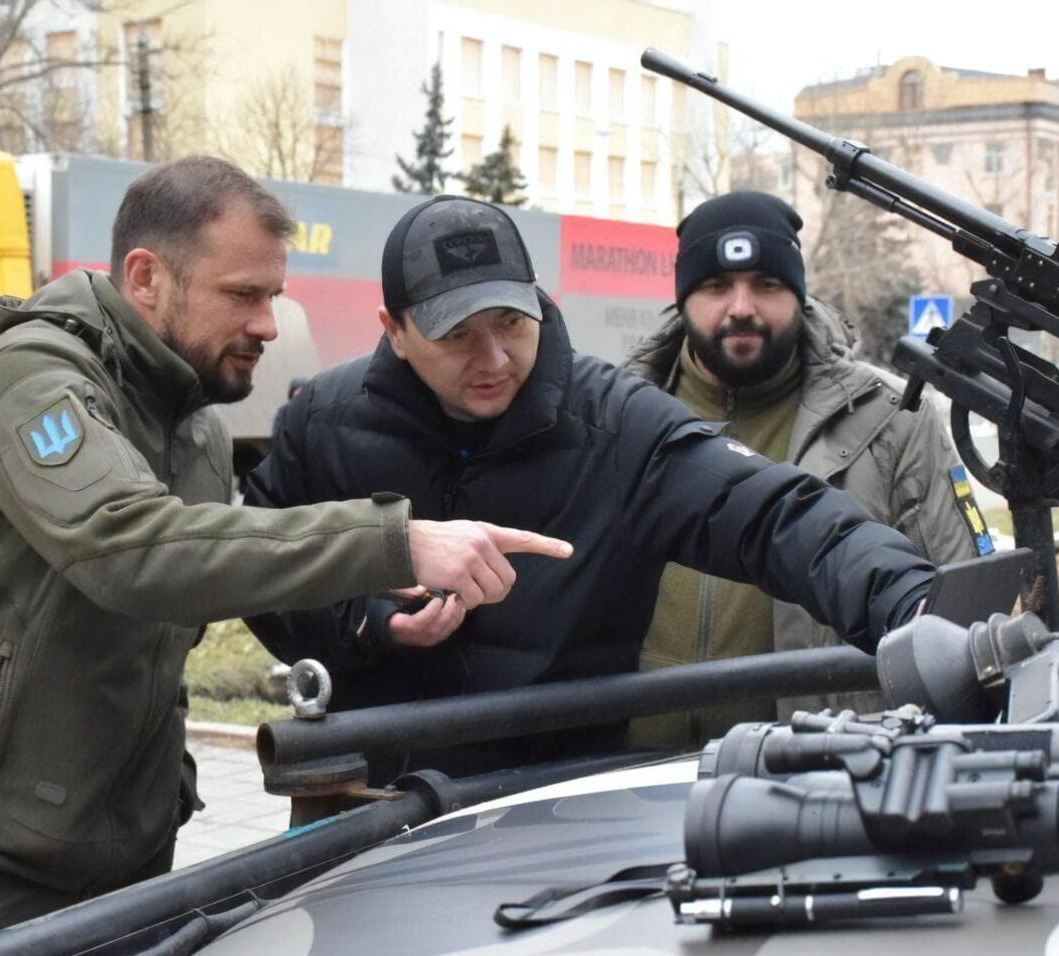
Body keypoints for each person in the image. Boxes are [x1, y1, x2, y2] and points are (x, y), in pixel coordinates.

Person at [0, 158, 570, 935]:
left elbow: (206, 570)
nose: (267, 324)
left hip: (124, 858)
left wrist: (369, 616)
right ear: (147, 277)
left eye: (274, 297)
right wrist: (394, 541)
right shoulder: (30, 377)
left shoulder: (195, 431)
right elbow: (132, 549)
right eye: (243, 295)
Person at [246, 194, 939, 800]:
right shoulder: (325, 421)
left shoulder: (614, 423)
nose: (492, 359)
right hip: (367, 809)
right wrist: (368, 620)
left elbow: (774, 513)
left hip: (554, 814)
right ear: (393, 329)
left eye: (511, 323)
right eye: (457, 334)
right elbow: (254, 566)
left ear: (539, 301)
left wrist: (916, 604)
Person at [623, 191, 986, 748]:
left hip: (821, 776)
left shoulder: (892, 418)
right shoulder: (618, 416)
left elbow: (959, 606)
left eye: (766, 285)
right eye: (716, 286)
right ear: (682, 298)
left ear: (798, 293)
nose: (741, 306)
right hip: (616, 780)